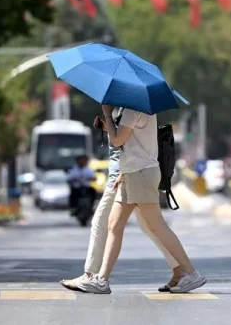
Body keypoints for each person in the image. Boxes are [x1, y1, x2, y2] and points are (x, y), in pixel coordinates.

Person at [74, 105, 206, 294]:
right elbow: (131, 140)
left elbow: (119, 140)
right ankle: (101, 280)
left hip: (141, 173)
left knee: (156, 225)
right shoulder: (141, 108)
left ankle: (191, 273)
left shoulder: (132, 110)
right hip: (131, 173)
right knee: (114, 224)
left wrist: (107, 116)